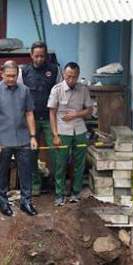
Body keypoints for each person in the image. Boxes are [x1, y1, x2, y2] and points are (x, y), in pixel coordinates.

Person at [0, 60, 38, 217]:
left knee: (26, 170)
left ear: (18, 75)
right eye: (8, 76)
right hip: (3, 139)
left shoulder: (25, 91)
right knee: (2, 171)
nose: (11, 79)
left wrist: (33, 136)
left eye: (14, 76)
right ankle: (3, 202)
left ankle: (26, 202)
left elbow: (29, 114)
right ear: (2, 74)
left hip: (23, 138)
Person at [18, 41, 62, 196]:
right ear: (31, 55)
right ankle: (35, 184)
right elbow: (19, 95)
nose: (39, 59)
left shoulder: (55, 70)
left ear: (47, 56)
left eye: (42, 56)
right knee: (31, 153)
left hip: (50, 117)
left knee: (57, 151)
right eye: (36, 56)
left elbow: (60, 91)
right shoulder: (23, 72)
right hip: (31, 118)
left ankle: (59, 186)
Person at [48, 62, 94, 206]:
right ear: (63, 74)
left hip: (79, 130)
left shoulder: (83, 89)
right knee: (60, 163)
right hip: (62, 131)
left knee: (79, 163)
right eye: (68, 77)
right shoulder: (57, 89)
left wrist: (76, 114)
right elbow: (52, 112)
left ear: (78, 75)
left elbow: (89, 110)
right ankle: (60, 194)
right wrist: (55, 135)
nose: (71, 80)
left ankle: (75, 192)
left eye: (74, 77)